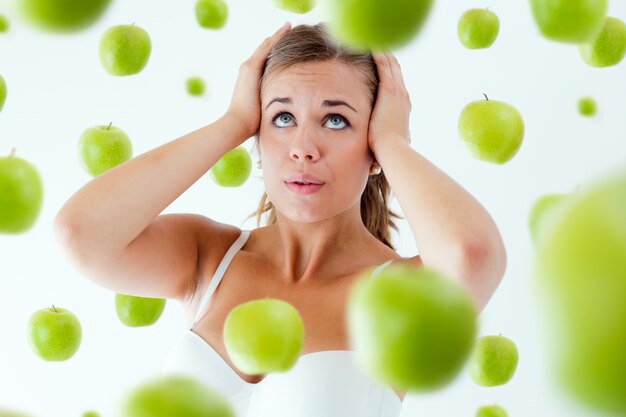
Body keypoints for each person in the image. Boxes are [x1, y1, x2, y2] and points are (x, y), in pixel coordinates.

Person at [54, 21, 507, 417]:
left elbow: (472, 255)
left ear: (370, 147)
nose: (303, 147)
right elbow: (81, 233)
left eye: (335, 121)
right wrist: (232, 122)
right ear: (259, 133)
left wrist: (391, 142)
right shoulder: (209, 260)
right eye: (283, 116)